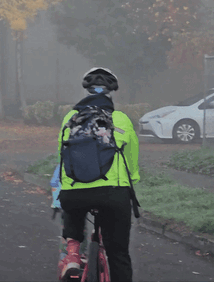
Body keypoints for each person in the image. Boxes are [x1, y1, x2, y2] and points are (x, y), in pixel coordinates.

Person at [57, 67, 140, 282]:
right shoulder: (121, 119)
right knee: (118, 253)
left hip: (73, 192)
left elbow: (62, 154)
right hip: (113, 194)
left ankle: (73, 256)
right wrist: (133, 178)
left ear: (87, 92)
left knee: (72, 209)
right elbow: (131, 160)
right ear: (110, 94)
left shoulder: (70, 118)